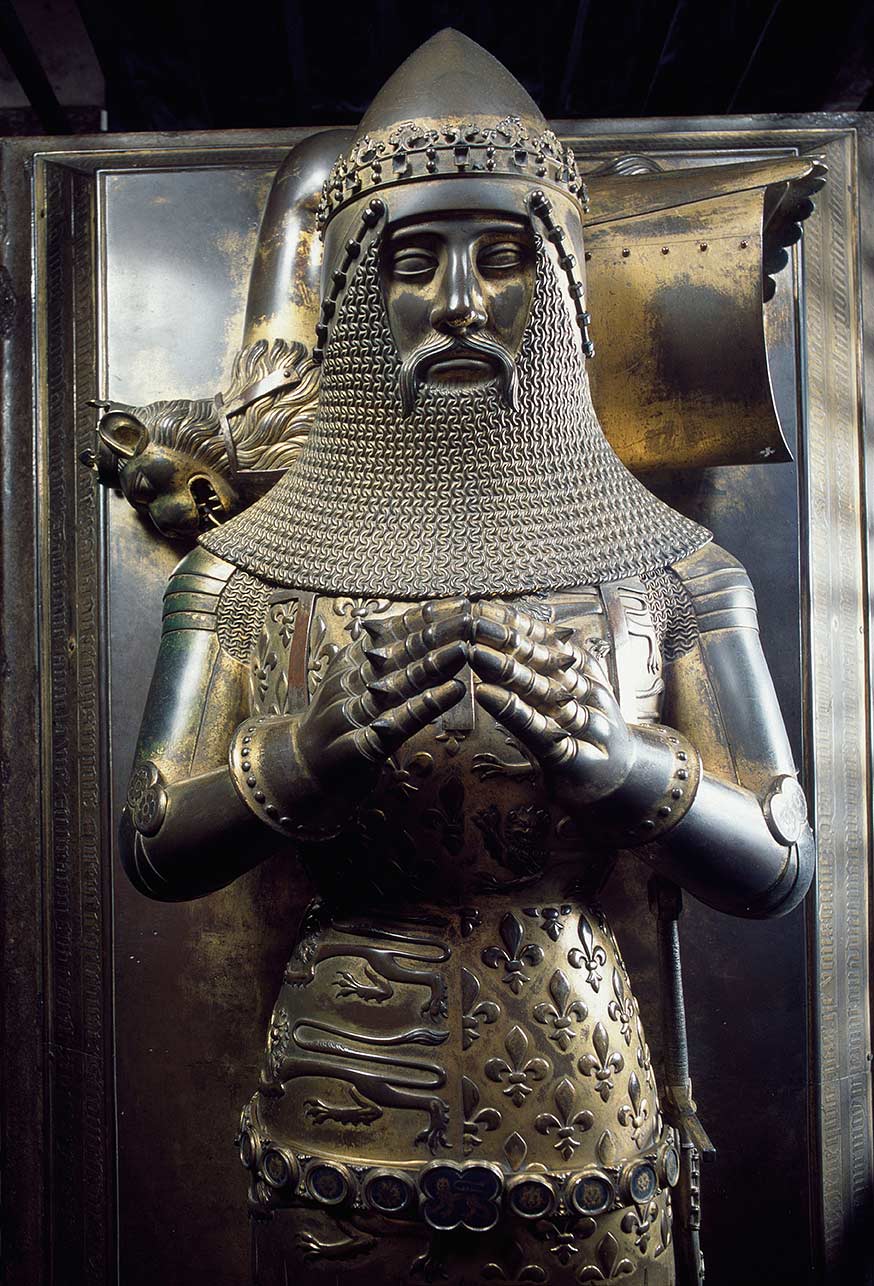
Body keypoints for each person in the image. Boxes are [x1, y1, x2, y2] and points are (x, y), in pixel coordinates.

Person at [119, 30, 814, 1285]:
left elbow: (778, 857)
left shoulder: (671, 565)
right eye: (411, 260)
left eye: (501, 258)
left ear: (553, 287)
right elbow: (156, 835)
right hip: (343, 1094)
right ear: (349, 292)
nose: (455, 302)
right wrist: (307, 752)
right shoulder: (248, 564)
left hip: (581, 1085)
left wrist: (621, 761)